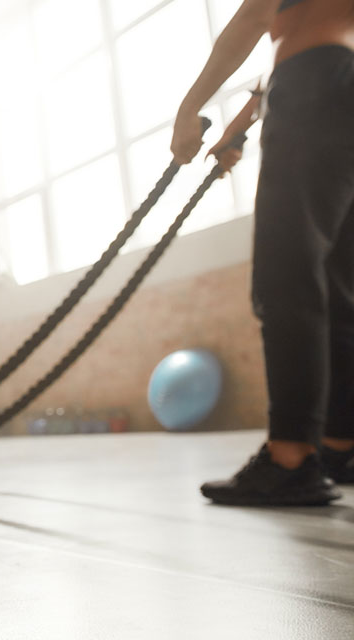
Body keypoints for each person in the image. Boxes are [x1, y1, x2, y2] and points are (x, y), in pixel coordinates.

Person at [171, 0, 354, 505]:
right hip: (341, 86)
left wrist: (189, 109)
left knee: (288, 277)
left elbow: (256, 16)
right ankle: (340, 445)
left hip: (314, 83)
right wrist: (240, 126)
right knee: (338, 284)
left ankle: (290, 457)